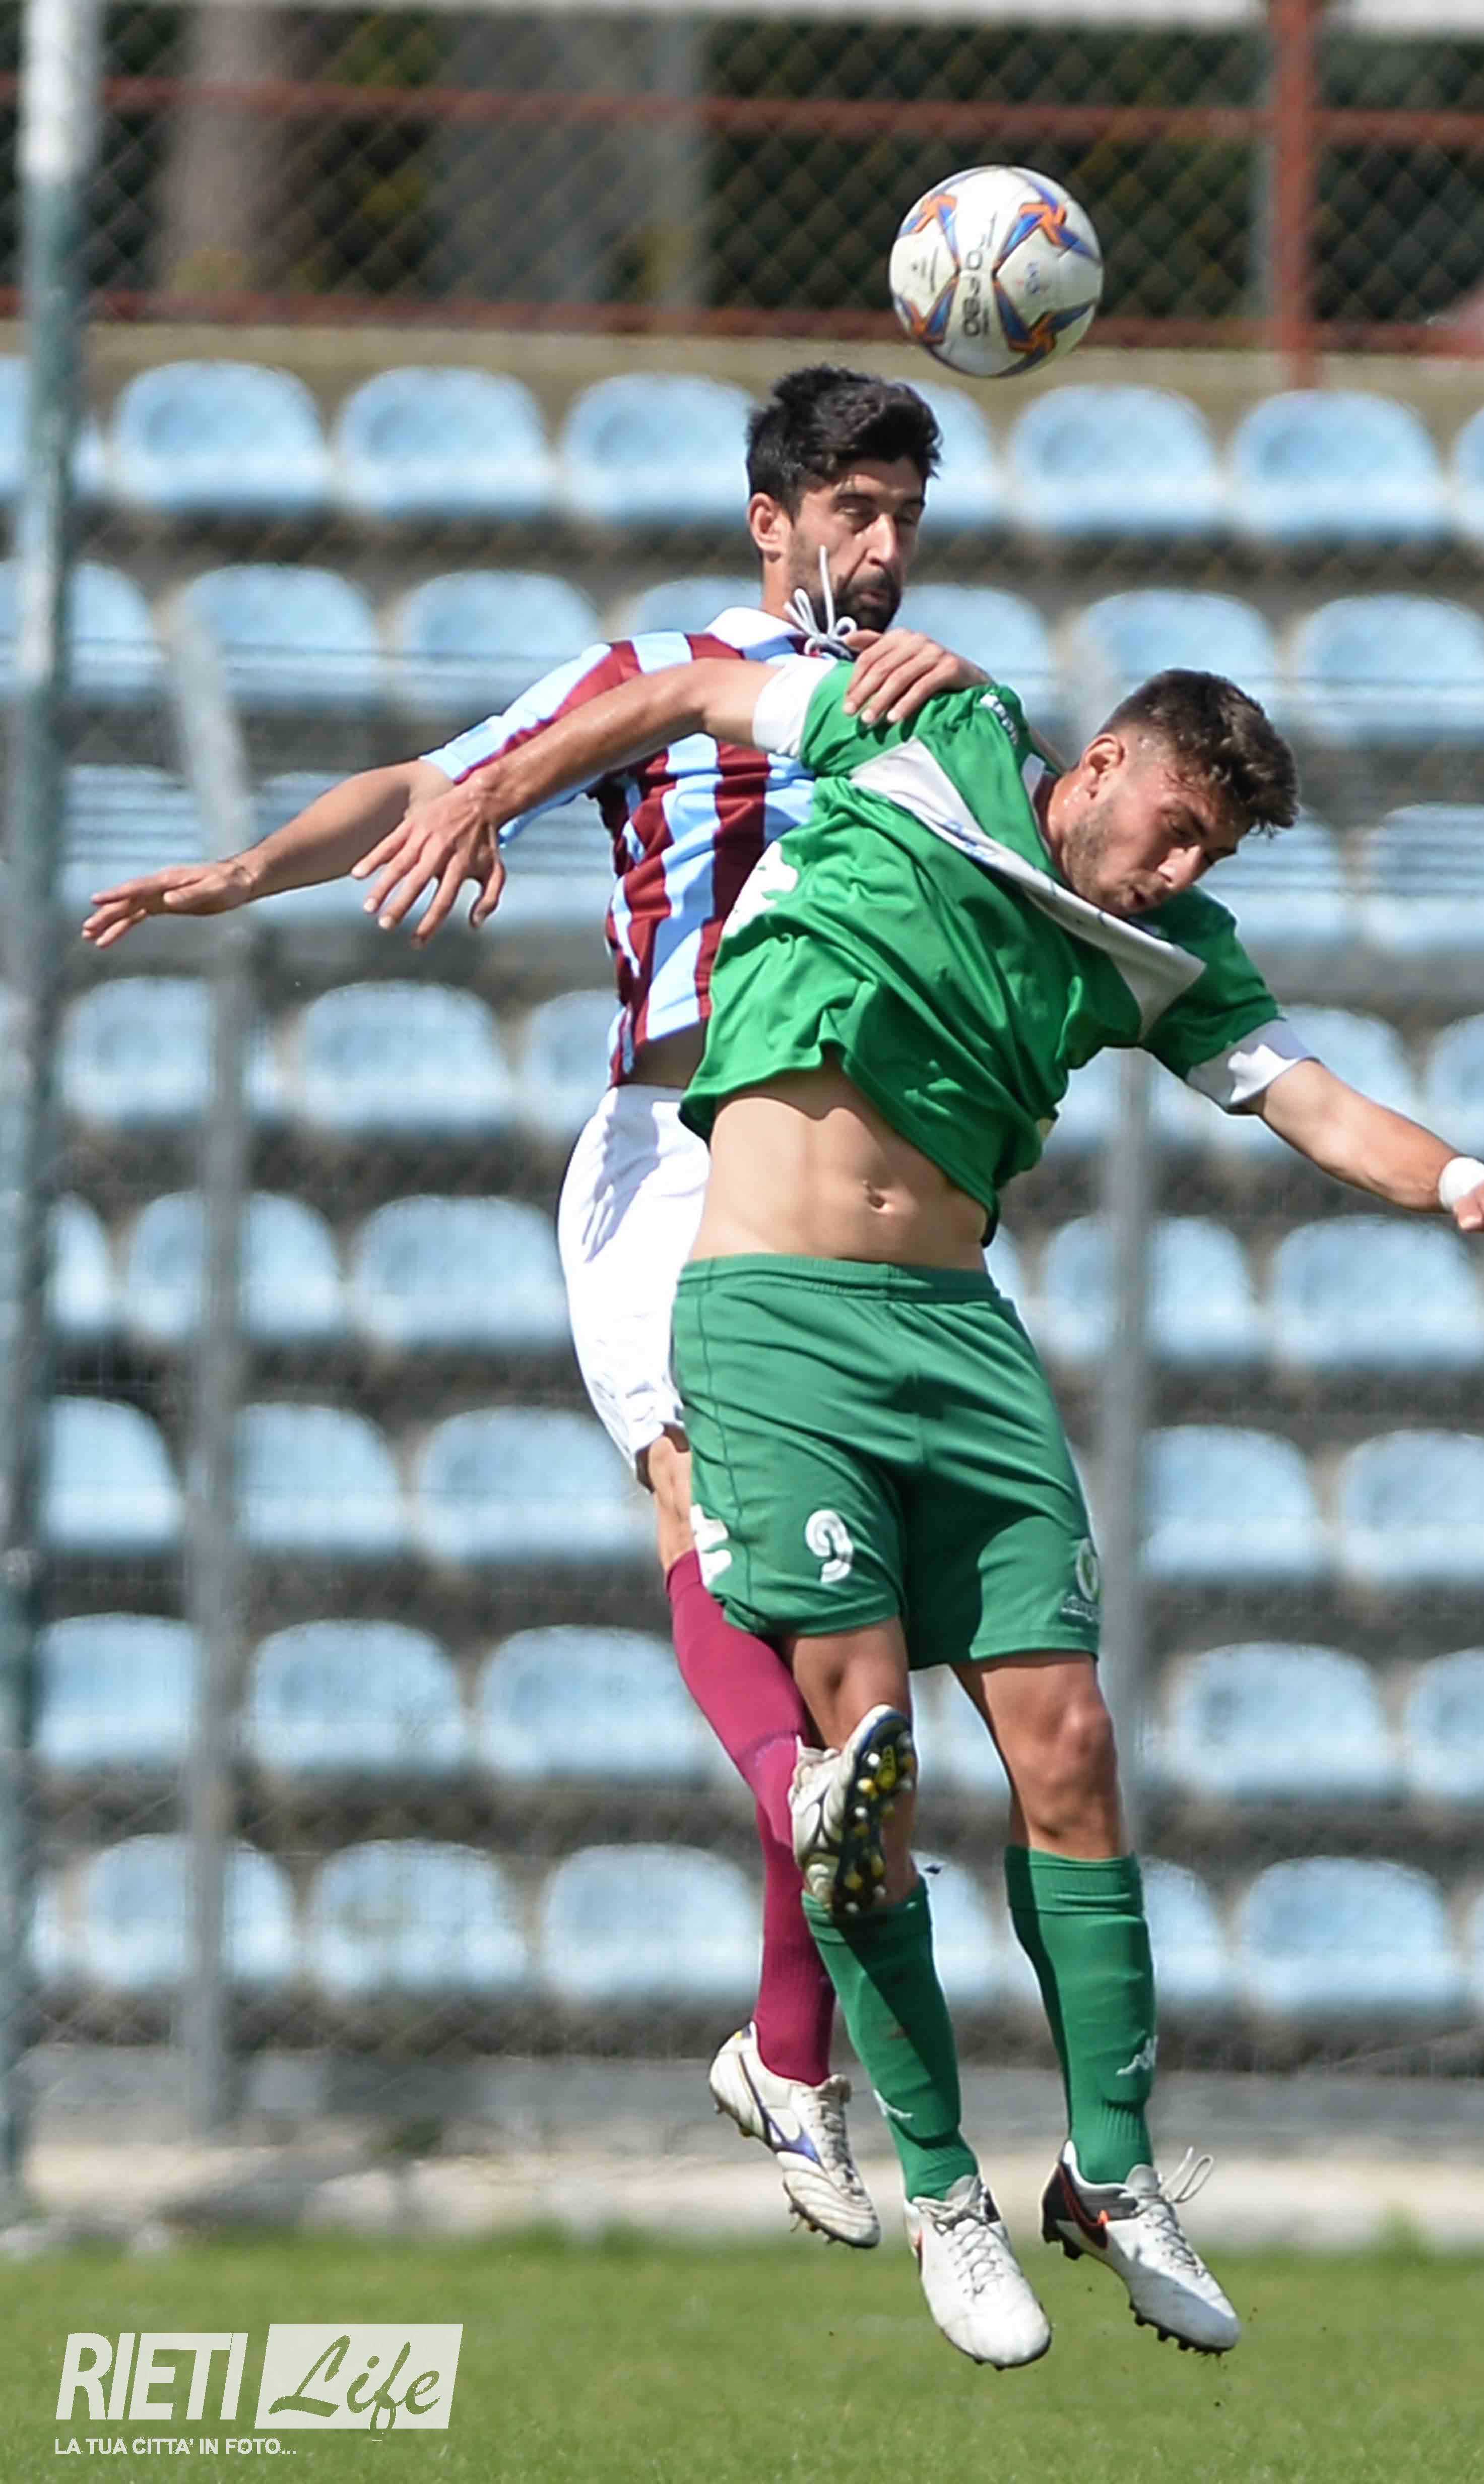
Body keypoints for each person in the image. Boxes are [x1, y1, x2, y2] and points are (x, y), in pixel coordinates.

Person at [365, 641, 1484, 2371]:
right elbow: (695, 701)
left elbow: (1312, 1100)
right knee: (868, 1771)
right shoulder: (931, 728)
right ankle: (945, 2190)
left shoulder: (1171, 951)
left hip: (962, 1334)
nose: (1182, 867)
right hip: (775, 1317)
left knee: (1074, 1744)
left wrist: (1460, 1178)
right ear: (1100, 767)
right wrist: (495, 788)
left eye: (1213, 852)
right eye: (1176, 825)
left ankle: (1113, 2176)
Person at [82, 364, 998, 2255]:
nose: (884, 548)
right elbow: (432, 786)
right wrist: (254, 872)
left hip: (857, 1184)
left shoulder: (934, 709)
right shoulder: (650, 675)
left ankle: (788, 2054)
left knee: (842, 1638)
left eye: (907, 516)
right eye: (854, 511)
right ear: (773, 520)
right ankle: (803, 1819)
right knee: (711, 1519)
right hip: (676, 1152)